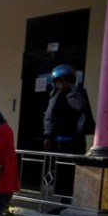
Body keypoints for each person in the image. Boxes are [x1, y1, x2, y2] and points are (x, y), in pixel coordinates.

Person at [43, 64, 94, 201]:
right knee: (60, 173)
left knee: (73, 173)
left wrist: (71, 91)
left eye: (65, 80)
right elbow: (49, 117)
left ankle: (71, 201)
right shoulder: (54, 96)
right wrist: (48, 135)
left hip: (75, 141)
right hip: (59, 141)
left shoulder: (79, 93)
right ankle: (61, 202)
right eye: (59, 81)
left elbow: (78, 107)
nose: (62, 84)